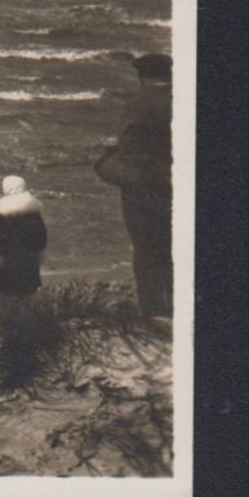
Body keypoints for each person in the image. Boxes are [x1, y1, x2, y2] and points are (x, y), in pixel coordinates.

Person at [94, 52, 173, 317]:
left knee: (146, 247)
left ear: (141, 77)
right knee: (174, 247)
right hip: (175, 183)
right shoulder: (184, 99)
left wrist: (108, 156)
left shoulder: (137, 103)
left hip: (144, 187)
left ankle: (152, 310)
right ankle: (176, 304)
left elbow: (131, 155)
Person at [0, 174, 48, 320]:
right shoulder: (34, 214)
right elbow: (42, 240)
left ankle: (12, 329)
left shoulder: (2, 214)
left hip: (8, 263)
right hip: (29, 262)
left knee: (7, 303)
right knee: (27, 301)